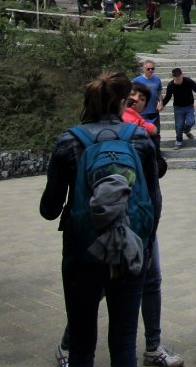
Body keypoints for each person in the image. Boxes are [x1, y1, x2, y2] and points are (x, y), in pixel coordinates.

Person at [40, 72, 160, 367]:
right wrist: (146, 247)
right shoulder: (140, 139)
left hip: (82, 252)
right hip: (129, 250)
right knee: (123, 345)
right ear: (122, 103)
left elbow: (49, 209)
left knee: (81, 345)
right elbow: (154, 201)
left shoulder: (69, 141)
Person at [161, 68, 196, 149]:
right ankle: (179, 141)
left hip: (189, 106)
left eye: (179, 77)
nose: (178, 79)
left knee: (191, 121)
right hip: (178, 107)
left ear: (182, 75)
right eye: (176, 78)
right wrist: (162, 104)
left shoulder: (188, 81)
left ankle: (186, 130)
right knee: (179, 125)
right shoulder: (171, 85)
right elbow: (168, 97)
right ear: (173, 77)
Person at [134, 61, 164, 132]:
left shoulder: (157, 79)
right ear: (143, 69)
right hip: (141, 112)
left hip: (154, 111)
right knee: (143, 132)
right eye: (148, 69)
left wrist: (161, 103)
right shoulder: (137, 80)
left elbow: (159, 92)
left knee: (156, 132)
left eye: (152, 69)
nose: (151, 70)